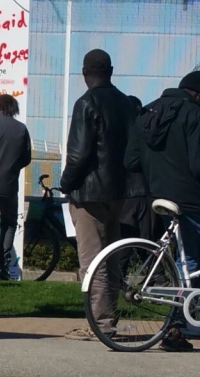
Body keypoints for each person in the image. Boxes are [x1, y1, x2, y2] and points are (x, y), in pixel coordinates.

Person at [59, 49, 133, 340]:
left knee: (92, 261)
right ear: (111, 70)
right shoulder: (126, 104)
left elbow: (78, 155)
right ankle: (108, 318)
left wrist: (65, 183)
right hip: (119, 191)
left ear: (83, 72)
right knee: (111, 257)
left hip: (89, 192)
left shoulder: (86, 103)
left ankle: (99, 325)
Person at [124, 72, 200, 352]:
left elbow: (131, 160)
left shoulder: (147, 112)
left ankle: (184, 319)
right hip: (191, 199)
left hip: (158, 195)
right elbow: (197, 164)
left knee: (184, 256)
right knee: (189, 260)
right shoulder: (194, 114)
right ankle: (176, 326)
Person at [0, 94, 31, 280]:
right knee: (9, 223)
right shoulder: (21, 129)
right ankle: (3, 263)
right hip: (9, 184)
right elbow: (26, 159)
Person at [120, 95, 157, 242]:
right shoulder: (148, 128)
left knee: (123, 243)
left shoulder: (116, 129)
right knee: (150, 243)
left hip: (125, 194)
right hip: (148, 192)